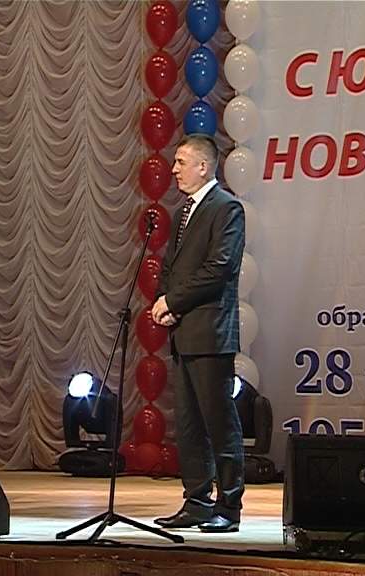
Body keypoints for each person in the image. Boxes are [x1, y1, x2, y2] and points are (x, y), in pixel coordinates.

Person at [151, 134, 246, 533]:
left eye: (181, 162)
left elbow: (218, 268)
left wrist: (173, 301)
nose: (174, 170)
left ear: (204, 167)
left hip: (210, 332)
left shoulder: (227, 208)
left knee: (219, 422)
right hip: (184, 331)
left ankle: (229, 505)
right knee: (188, 424)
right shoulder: (184, 211)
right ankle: (196, 501)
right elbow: (170, 267)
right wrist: (164, 301)